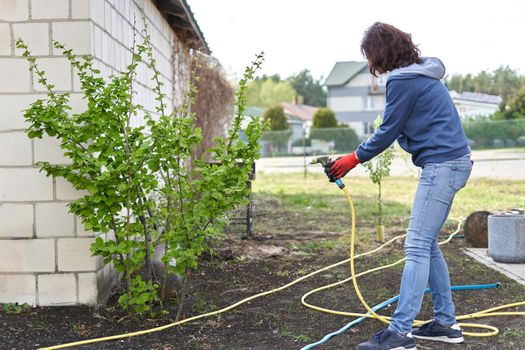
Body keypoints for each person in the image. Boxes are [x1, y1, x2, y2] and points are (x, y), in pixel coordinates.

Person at [328, 22, 473, 350]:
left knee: (417, 245)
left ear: (380, 53)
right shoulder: (421, 73)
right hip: (450, 163)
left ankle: (400, 333)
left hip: (443, 166)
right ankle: (446, 323)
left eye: (370, 56)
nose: (371, 64)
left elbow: (388, 130)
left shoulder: (404, 80)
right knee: (428, 244)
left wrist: (353, 159)